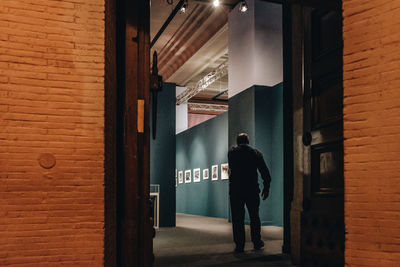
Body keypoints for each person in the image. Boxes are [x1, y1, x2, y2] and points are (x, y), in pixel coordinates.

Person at [228, 133, 271, 253]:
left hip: (236, 191)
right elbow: (265, 173)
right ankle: (257, 242)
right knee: (254, 217)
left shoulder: (232, 153)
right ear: (248, 141)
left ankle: (239, 245)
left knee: (237, 219)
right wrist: (266, 188)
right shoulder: (256, 153)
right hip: (252, 190)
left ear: (237, 142)